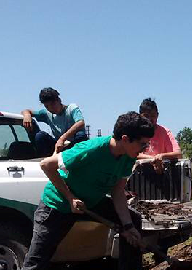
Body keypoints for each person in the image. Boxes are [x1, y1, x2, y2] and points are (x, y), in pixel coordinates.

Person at [22, 111, 154, 270]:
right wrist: (70, 198)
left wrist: (127, 226)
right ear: (125, 139)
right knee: (37, 262)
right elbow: (46, 165)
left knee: (133, 221)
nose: (145, 149)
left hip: (91, 201)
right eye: (143, 144)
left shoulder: (128, 156)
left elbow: (118, 191)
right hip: (58, 204)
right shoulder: (91, 150)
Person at [22, 87, 88, 157]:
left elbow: (80, 123)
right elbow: (26, 111)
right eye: (47, 106)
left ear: (59, 100)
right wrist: (27, 115)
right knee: (40, 136)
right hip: (59, 147)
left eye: (53, 104)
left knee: (81, 134)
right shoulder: (47, 114)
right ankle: (44, 160)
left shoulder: (71, 108)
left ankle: (80, 158)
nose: (50, 108)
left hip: (73, 145)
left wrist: (62, 138)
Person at [136, 98, 182, 172]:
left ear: (157, 115)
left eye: (153, 116)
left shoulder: (165, 132)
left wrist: (161, 156)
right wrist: (153, 158)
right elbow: (131, 154)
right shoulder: (135, 131)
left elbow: (178, 154)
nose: (149, 119)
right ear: (140, 116)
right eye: (146, 116)